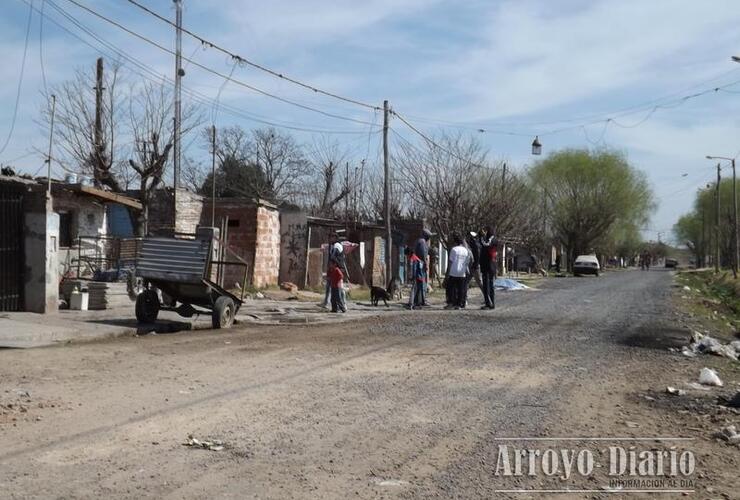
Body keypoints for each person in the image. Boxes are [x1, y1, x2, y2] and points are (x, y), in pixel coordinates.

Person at [320, 233, 349, 308]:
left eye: (331, 237)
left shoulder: (337, 245)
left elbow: (333, 256)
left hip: (338, 268)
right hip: (332, 268)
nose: (330, 239)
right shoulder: (331, 245)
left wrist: (333, 265)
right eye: (329, 237)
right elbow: (331, 257)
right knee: (329, 286)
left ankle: (343, 304)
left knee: (339, 287)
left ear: (335, 238)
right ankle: (326, 302)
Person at [445, 232, 470, 310]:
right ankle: (459, 304)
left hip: (453, 271)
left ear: (455, 242)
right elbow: (466, 262)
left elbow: (450, 262)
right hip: (462, 272)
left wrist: (447, 272)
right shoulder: (466, 251)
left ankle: (451, 303)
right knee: (461, 289)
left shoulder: (454, 250)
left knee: (451, 288)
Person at [479, 227, 498, 309]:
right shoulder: (492, 239)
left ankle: (489, 303)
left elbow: (485, 244)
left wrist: (481, 237)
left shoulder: (491, 239)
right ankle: (490, 303)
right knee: (489, 284)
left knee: (487, 285)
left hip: (488, 265)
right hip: (489, 265)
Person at [414, 229, 433, 305]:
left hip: (419, 264)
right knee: (422, 283)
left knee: (421, 282)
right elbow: (423, 255)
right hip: (421, 265)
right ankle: (422, 300)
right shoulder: (422, 242)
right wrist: (426, 264)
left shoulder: (420, 241)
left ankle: (420, 300)